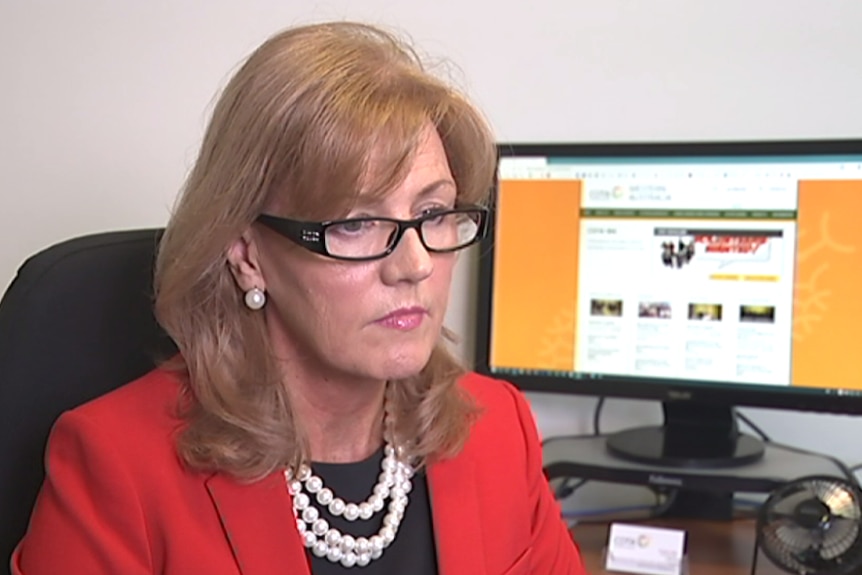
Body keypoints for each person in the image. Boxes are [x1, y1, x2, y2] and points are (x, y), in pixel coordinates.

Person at [12, 21, 587, 575]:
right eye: (356, 223)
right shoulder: (117, 467)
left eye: (432, 214)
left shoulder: (497, 428)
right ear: (247, 254)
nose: (415, 264)